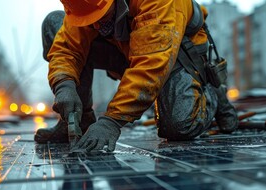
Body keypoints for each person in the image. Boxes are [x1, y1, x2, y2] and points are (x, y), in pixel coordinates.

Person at [34, 0, 238, 152]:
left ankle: (211, 93)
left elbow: (150, 63)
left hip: (176, 49)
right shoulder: (89, 3)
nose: (95, 26)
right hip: (131, 47)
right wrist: (64, 84)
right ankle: (79, 121)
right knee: (55, 22)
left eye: (100, 18)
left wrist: (111, 121)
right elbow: (68, 48)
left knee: (178, 127)